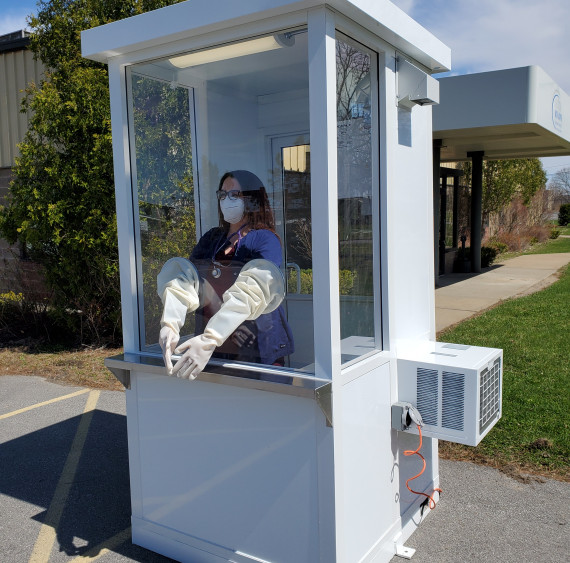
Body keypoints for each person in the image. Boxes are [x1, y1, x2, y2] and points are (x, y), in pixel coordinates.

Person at [158, 170, 294, 380]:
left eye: (234, 195)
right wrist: (171, 322)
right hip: (215, 352)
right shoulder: (213, 238)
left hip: (257, 348)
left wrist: (211, 338)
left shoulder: (265, 240)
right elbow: (188, 279)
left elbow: (256, 289)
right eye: (222, 195)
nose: (226, 200)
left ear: (252, 200)